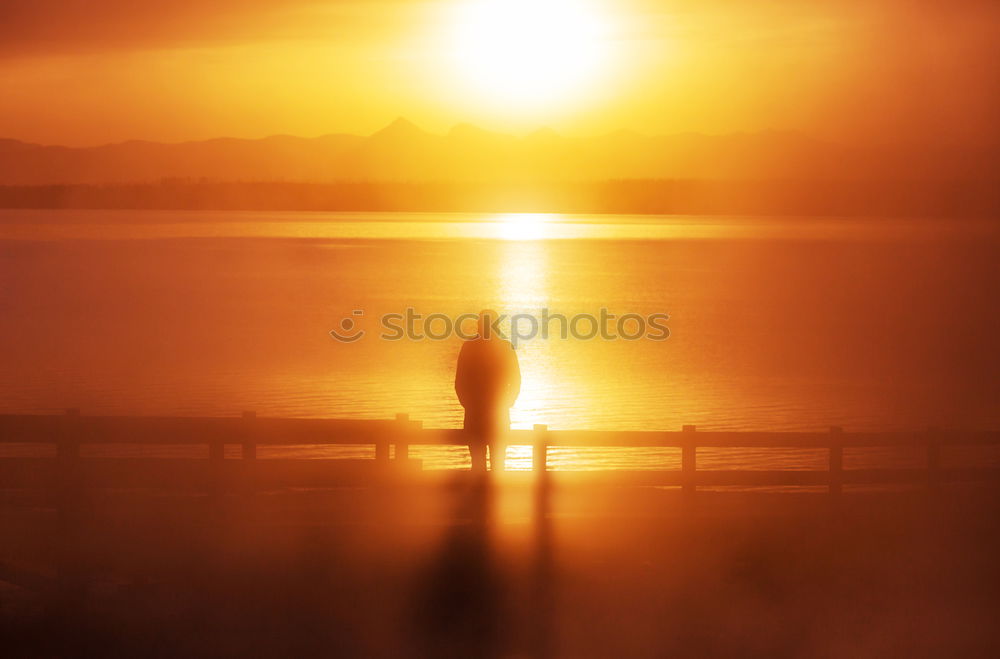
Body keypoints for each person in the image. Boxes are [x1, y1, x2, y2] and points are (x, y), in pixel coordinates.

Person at [455, 309, 521, 472]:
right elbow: (516, 379)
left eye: (480, 323)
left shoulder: (470, 347)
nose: (478, 326)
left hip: (479, 413)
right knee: (496, 462)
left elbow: (460, 382)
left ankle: (481, 492)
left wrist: (468, 404)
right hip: (494, 412)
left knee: (480, 461)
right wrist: (508, 402)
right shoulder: (504, 347)